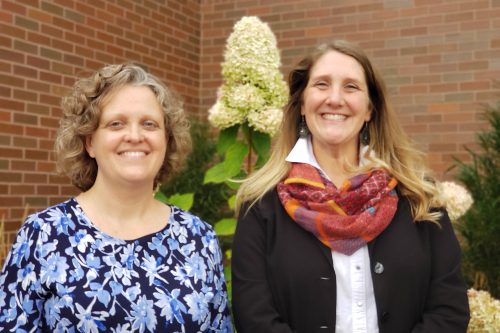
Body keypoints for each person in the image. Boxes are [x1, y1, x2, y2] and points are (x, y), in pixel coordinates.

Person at [232, 41, 469, 333]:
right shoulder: (260, 204)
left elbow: (449, 310)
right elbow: (253, 317)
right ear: (303, 104)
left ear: (370, 109)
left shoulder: (418, 196)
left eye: (351, 87)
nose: (335, 98)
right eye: (321, 84)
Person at [0, 64, 233, 333]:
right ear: (89, 142)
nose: (134, 136)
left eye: (149, 124)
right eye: (116, 124)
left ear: (167, 141)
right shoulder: (42, 235)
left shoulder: (199, 238)